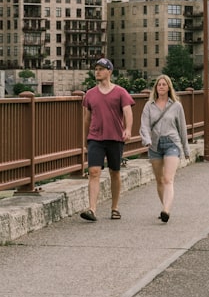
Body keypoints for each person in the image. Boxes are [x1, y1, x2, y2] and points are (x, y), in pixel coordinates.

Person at [80, 58, 133, 222]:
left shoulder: (120, 92)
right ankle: (92, 209)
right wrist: (85, 138)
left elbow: (128, 112)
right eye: (96, 69)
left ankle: (114, 208)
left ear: (109, 71)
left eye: (101, 69)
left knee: (114, 172)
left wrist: (128, 129)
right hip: (95, 138)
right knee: (94, 172)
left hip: (115, 137)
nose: (97, 72)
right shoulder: (89, 94)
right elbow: (86, 118)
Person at [139, 74, 190, 223]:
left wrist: (186, 149)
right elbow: (144, 125)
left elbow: (182, 128)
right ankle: (164, 208)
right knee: (160, 180)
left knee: (168, 178)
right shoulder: (149, 106)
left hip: (172, 143)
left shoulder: (176, 106)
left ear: (169, 88)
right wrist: (146, 140)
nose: (161, 87)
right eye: (159, 85)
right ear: (156, 88)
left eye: (164, 84)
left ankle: (166, 210)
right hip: (154, 145)